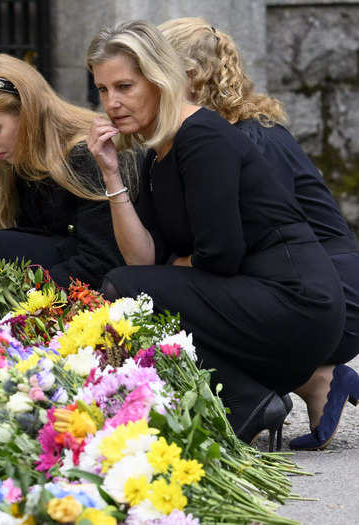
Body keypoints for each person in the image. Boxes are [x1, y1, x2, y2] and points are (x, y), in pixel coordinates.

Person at [85, 20, 346, 449]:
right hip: (255, 300)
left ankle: (244, 401)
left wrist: (163, 275)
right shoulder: (159, 150)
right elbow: (142, 261)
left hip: (298, 303)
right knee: (130, 285)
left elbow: (220, 255)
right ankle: (250, 399)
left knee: (128, 291)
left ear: (160, 79)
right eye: (103, 89)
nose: (112, 102)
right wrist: (111, 174)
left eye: (125, 87)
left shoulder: (203, 135)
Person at [158, 17, 359, 450]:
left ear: (188, 79)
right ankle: (315, 380)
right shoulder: (219, 134)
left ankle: (309, 379)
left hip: (337, 294)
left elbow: (257, 241)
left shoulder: (249, 138)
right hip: (314, 283)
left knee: (192, 294)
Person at [0, 53, 128, 292]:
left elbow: (100, 261)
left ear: (27, 113)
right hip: (61, 271)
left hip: (101, 280)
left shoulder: (83, 154)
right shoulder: (23, 159)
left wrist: (13, 288)